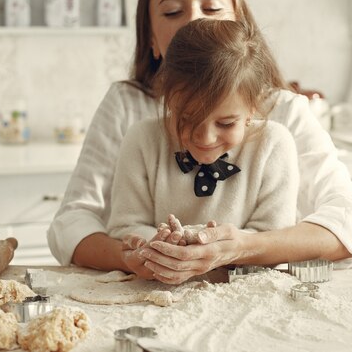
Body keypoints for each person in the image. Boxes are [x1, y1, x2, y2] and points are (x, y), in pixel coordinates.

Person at [47, 0, 352, 284]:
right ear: (152, 40)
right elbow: (72, 221)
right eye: (173, 10)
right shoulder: (127, 108)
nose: (194, 22)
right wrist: (138, 255)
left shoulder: (283, 114)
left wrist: (242, 248)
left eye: (212, 8)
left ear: (238, 26)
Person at [107, 18, 298, 245]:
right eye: (187, 119)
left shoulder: (273, 145)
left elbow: (274, 238)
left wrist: (213, 247)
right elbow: (124, 227)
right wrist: (169, 244)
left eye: (226, 124)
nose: (205, 137)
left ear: (252, 109)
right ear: (168, 100)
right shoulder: (142, 139)